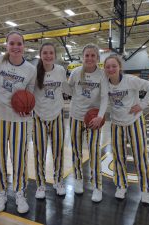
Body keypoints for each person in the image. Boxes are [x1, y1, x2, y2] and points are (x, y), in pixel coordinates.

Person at [0, 31, 36, 213]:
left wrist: (28, 107)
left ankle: (19, 193)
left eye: (19, 44)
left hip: (19, 120)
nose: (16, 47)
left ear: (24, 46)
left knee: (19, 159)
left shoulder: (30, 69)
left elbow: (30, 94)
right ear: (6, 45)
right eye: (12, 43)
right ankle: (0, 192)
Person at [103, 54, 149, 204]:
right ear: (105, 69)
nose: (111, 69)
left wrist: (142, 105)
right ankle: (121, 185)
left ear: (120, 67)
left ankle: (145, 189)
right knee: (118, 157)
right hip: (116, 124)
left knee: (140, 156)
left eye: (114, 66)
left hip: (135, 121)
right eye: (108, 67)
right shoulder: (105, 84)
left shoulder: (131, 80)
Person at [68, 44, 108, 202]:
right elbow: (69, 89)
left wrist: (100, 115)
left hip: (93, 119)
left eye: (93, 55)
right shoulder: (76, 73)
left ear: (97, 58)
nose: (90, 58)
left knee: (94, 152)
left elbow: (104, 97)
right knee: (76, 151)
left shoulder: (102, 75)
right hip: (75, 117)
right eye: (87, 55)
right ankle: (78, 179)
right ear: (82, 57)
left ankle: (97, 186)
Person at [33, 43, 67, 199]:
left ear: (55, 55)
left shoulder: (60, 70)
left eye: (51, 53)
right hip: (38, 116)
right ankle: (40, 184)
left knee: (58, 151)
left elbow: (66, 89)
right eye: (45, 53)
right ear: (40, 55)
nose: (48, 55)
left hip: (57, 115)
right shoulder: (34, 72)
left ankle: (58, 180)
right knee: (39, 153)